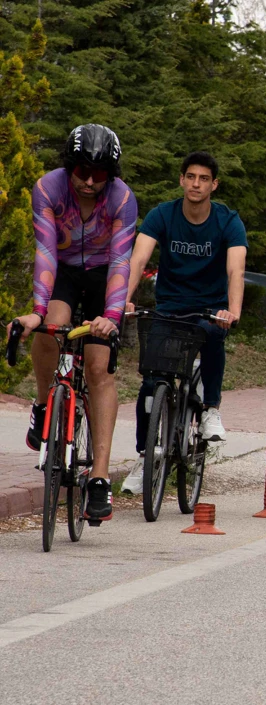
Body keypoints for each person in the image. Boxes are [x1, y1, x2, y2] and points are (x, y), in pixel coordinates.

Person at [14, 124, 136, 522]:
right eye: (82, 171)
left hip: (104, 275)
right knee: (52, 324)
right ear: (69, 166)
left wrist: (111, 317)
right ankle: (42, 404)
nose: (89, 181)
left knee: (99, 370)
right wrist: (37, 310)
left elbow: (121, 262)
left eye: (100, 174)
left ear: (111, 175)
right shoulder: (48, 188)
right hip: (64, 270)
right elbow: (46, 252)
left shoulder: (122, 199)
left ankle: (99, 477)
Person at [121, 152, 247, 494]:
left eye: (204, 178)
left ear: (214, 185)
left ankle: (210, 409)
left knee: (213, 336)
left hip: (210, 309)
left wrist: (232, 310)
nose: (196, 184)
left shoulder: (228, 221)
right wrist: (122, 299)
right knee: (151, 383)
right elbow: (138, 259)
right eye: (190, 177)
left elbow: (236, 269)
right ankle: (145, 455)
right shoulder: (163, 214)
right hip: (169, 307)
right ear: (181, 180)